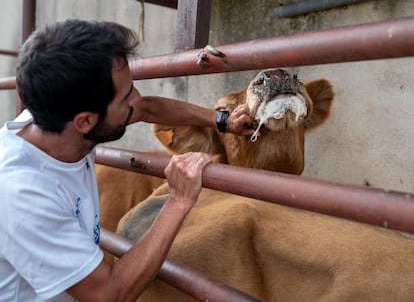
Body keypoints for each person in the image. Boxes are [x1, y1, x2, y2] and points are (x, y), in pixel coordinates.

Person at [0, 19, 255, 301]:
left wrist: (221, 119)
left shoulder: (55, 122)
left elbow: (146, 108)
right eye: (125, 97)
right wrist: (178, 199)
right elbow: (110, 294)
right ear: (85, 121)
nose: (137, 98)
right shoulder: (22, 194)